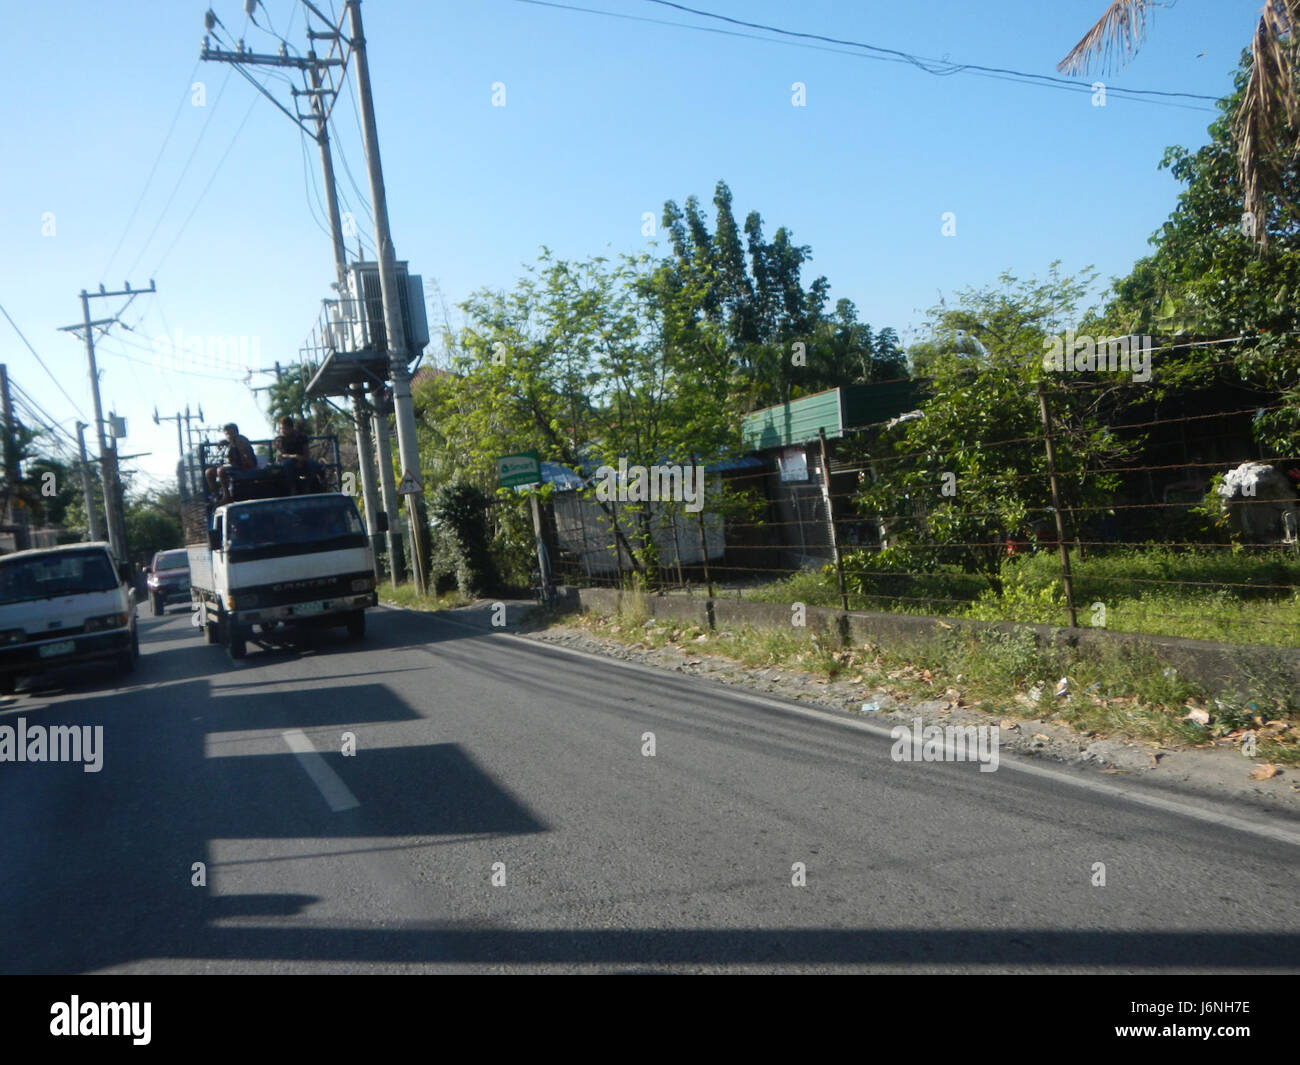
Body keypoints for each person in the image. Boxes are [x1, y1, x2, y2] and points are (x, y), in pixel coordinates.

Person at [205, 423, 257, 504]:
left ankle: (227, 496)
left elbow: (246, 457)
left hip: (243, 466)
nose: (228, 436)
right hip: (233, 466)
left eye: (230, 433)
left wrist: (248, 464)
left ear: (235, 432)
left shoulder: (241, 440)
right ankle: (217, 495)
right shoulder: (230, 442)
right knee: (209, 472)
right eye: (227, 434)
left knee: (221, 471)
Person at [273, 416, 321, 494]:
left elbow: (306, 452)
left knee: (312, 464)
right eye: (281, 428)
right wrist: (295, 456)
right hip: (286, 461)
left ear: (291, 428)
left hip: (301, 459)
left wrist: (301, 460)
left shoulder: (301, 437)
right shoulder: (279, 439)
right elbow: (282, 455)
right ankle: (293, 489)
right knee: (288, 465)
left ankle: (307, 487)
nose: (282, 431)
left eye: (284, 428)